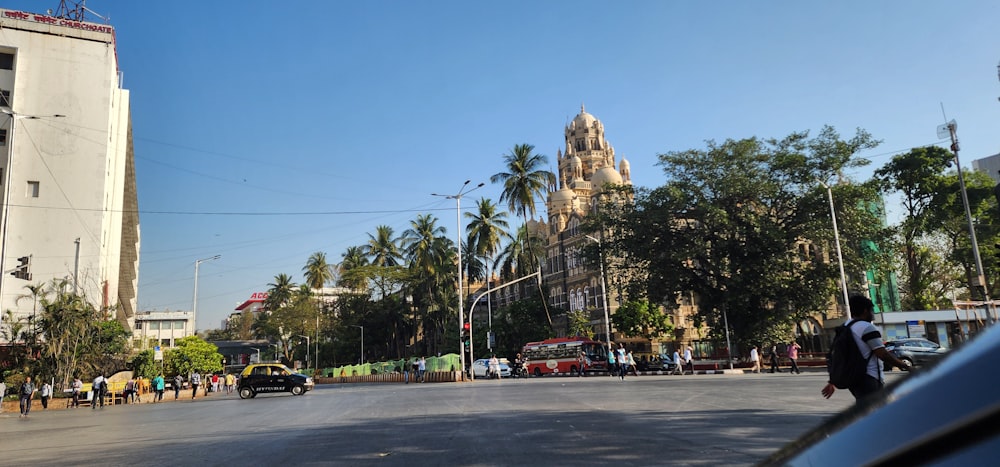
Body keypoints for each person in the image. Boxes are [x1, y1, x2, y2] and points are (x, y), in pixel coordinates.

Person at [823, 295, 910, 403]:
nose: (872, 314)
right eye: (871, 310)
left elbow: (839, 355)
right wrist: (905, 366)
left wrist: (833, 380)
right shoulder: (867, 327)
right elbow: (882, 354)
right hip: (869, 378)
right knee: (874, 412)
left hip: (854, 378)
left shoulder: (846, 326)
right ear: (865, 310)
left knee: (866, 409)